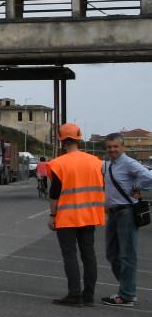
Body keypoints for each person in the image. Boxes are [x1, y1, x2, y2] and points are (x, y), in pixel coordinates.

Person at [45, 123, 106, 306]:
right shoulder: (96, 162)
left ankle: (74, 294)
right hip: (90, 215)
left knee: (70, 255)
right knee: (89, 255)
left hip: (67, 218)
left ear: (61, 140)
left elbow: (55, 194)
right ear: (79, 138)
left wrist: (52, 216)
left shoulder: (58, 164)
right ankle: (89, 296)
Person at [100, 134, 152, 306]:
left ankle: (127, 294)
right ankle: (126, 288)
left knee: (127, 254)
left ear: (123, 147)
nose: (112, 150)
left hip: (126, 212)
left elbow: (149, 177)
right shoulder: (110, 165)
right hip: (113, 213)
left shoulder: (128, 162)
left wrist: (137, 188)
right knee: (111, 253)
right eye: (109, 147)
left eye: (116, 146)